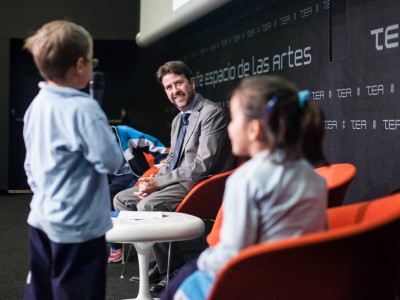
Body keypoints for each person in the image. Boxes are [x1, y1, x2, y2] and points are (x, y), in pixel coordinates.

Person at [162, 75, 329, 300]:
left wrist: (201, 261)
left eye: (233, 119)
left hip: (251, 283)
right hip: (297, 282)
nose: (229, 128)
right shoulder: (314, 177)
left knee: (184, 278)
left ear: (254, 129)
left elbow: (231, 255)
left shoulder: (246, 180)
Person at [113, 60, 236, 292]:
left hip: (199, 184)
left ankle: (174, 267)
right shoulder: (179, 119)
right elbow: (172, 158)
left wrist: (158, 183)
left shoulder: (211, 113)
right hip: (175, 180)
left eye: (178, 83)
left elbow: (202, 165)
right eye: (168, 87)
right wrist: (151, 179)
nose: (174, 91)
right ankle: (159, 264)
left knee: (149, 206)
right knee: (122, 199)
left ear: (192, 82)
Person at [22, 20, 123, 300]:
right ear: (80, 65)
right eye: (91, 60)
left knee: (41, 291)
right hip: (79, 230)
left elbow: (30, 166)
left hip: (41, 220)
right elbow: (112, 161)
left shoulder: (36, 105)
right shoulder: (84, 108)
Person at [108, 125, 168, 263]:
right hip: (110, 176)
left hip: (132, 174)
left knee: (108, 197)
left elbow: (151, 143)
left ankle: (116, 245)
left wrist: (162, 158)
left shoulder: (124, 133)